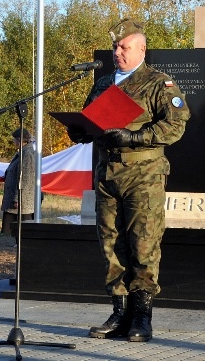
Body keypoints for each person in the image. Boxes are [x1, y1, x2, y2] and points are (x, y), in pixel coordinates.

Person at [68, 18, 190, 342]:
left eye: (124, 47)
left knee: (143, 244)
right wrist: (79, 130)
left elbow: (175, 126)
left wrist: (134, 136)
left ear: (141, 49)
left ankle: (141, 316)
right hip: (108, 174)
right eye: (115, 47)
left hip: (143, 175)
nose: (117, 52)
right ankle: (119, 312)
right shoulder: (103, 83)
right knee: (111, 243)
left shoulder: (158, 83)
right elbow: (90, 119)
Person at [1, 127, 37, 242]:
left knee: (22, 229)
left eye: (14, 140)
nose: (13, 142)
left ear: (19, 139)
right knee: (17, 230)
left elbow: (25, 178)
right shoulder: (23, 152)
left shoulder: (27, 154)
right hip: (18, 199)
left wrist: (17, 198)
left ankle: (22, 248)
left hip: (22, 201)